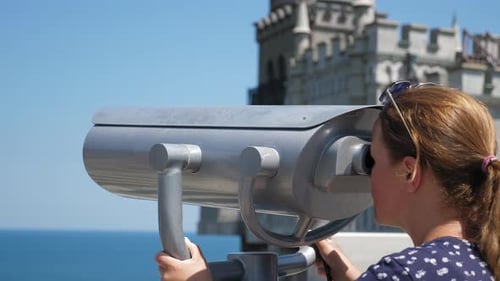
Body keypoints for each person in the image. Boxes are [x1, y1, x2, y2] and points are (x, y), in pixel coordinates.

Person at [155, 81, 499, 281]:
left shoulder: (404, 273)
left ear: (409, 171)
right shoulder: (483, 260)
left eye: (373, 160)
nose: (366, 174)